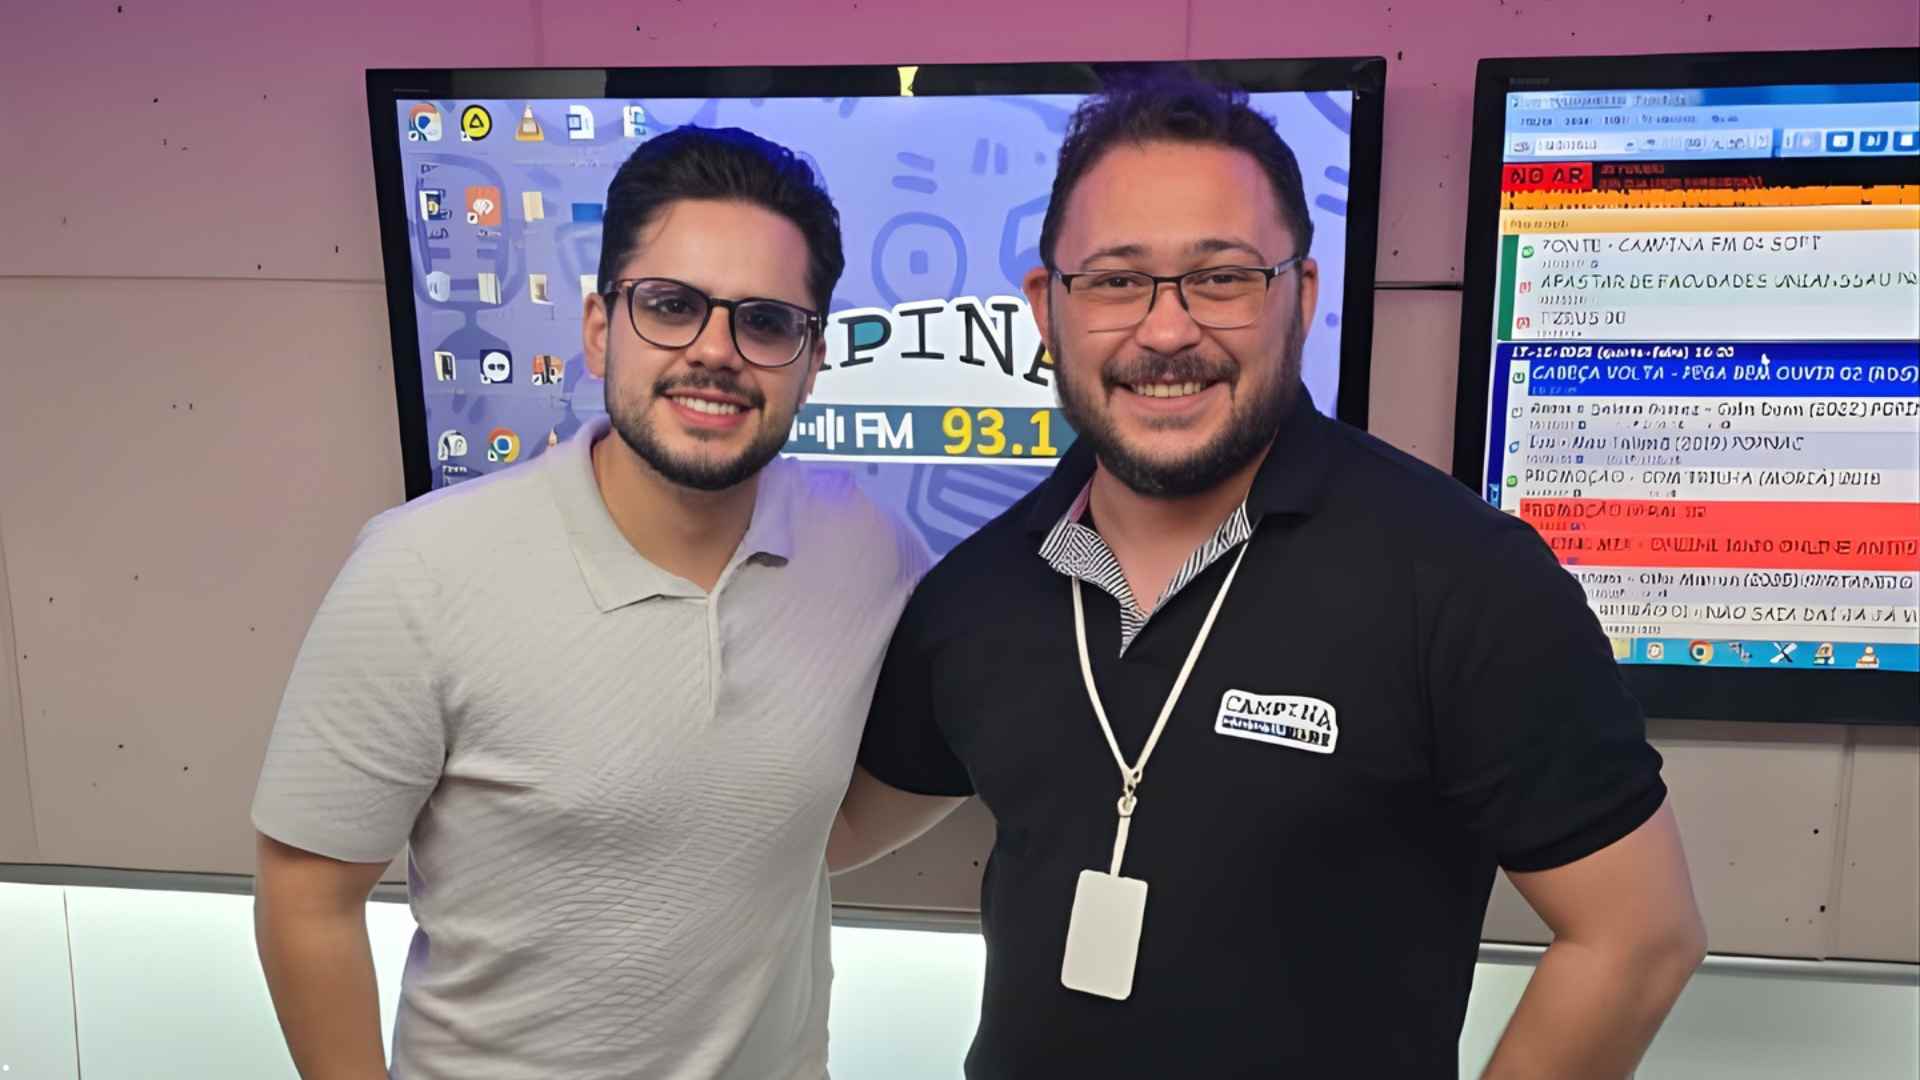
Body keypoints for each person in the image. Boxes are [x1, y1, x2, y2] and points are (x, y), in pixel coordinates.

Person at [834, 78, 1706, 1078]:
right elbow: (837, 823)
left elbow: (1640, 939)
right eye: (1116, 281)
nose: (1167, 332)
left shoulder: (1466, 579)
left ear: (1302, 295)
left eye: (1222, 278)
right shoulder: (980, 591)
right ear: (1048, 307)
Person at [253, 126, 927, 1080]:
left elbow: (829, 818)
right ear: (601, 326)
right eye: (671, 305)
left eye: (767, 322)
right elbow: (306, 894)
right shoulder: (419, 569)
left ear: (813, 358)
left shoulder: (865, 547)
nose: (716, 351)